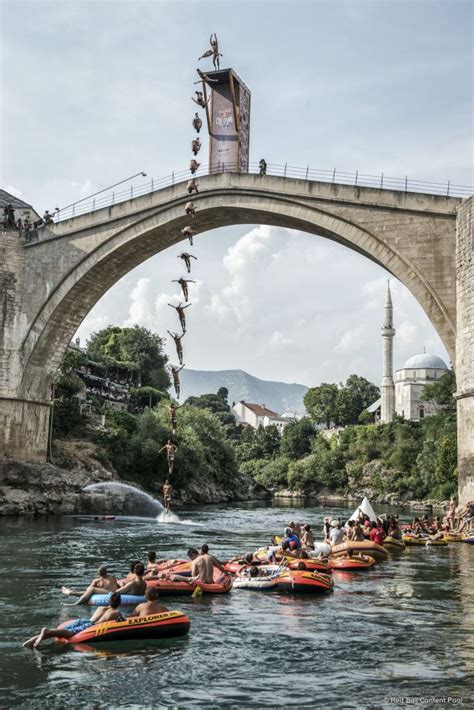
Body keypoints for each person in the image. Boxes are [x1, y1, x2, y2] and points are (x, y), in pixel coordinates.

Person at [23, 592, 124, 649]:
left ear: (109, 601)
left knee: (59, 633)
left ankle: (29, 642)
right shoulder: (116, 613)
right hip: (90, 627)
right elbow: (122, 623)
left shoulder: (101, 608)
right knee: (68, 634)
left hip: (85, 621)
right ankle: (46, 631)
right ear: (119, 603)